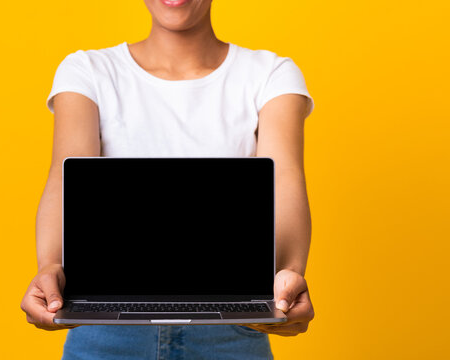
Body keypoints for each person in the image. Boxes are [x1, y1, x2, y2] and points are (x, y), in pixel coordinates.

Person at [20, 0, 315, 358]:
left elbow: (284, 178)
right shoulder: (88, 70)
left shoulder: (271, 73)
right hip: (104, 328)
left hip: (233, 330)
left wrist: (286, 281)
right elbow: (63, 176)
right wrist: (50, 267)